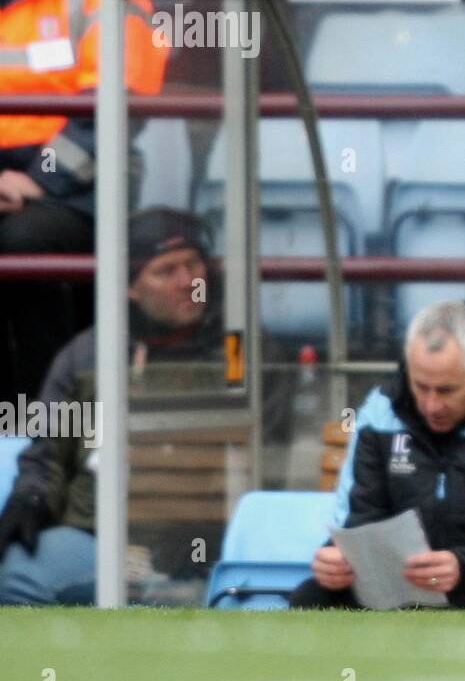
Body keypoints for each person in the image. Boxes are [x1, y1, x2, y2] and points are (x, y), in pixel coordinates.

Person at [0, 209, 289, 605]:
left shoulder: (245, 351)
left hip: (203, 545)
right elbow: (47, 456)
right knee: (16, 576)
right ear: (130, 288)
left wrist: (212, 532)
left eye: (193, 263)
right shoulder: (86, 355)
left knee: (179, 598)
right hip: (97, 535)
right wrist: (30, 499)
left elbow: (269, 466)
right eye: (166, 270)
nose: (189, 281)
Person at [0, 0, 166, 404]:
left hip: (79, 184)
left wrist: (39, 179)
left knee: (23, 243)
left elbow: (121, 99)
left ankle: (45, 413)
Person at [291, 300, 465, 610]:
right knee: (311, 597)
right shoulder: (381, 410)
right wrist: (337, 561)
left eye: (446, 390)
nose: (432, 405)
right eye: (421, 386)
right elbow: (357, 520)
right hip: (398, 586)